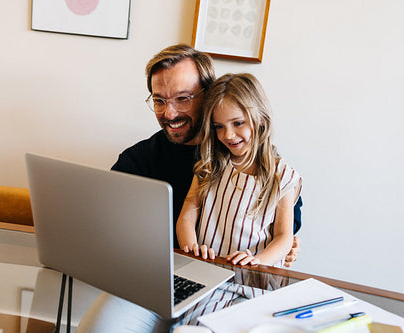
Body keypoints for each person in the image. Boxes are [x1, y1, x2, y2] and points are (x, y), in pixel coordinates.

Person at [111, 44, 303, 265]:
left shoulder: (250, 158)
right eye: (159, 101)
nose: (169, 113)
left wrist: (279, 249)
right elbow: (111, 228)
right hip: (156, 271)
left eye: (182, 98)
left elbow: (285, 227)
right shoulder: (136, 162)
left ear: (208, 95)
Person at [176, 73, 302, 268]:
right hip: (207, 271)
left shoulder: (282, 175)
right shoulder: (209, 164)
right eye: (219, 127)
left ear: (260, 119)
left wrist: (256, 261)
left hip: (252, 278)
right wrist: (191, 248)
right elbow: (187, 215)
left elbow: (284, 238)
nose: (228, 135)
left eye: (238, 123)